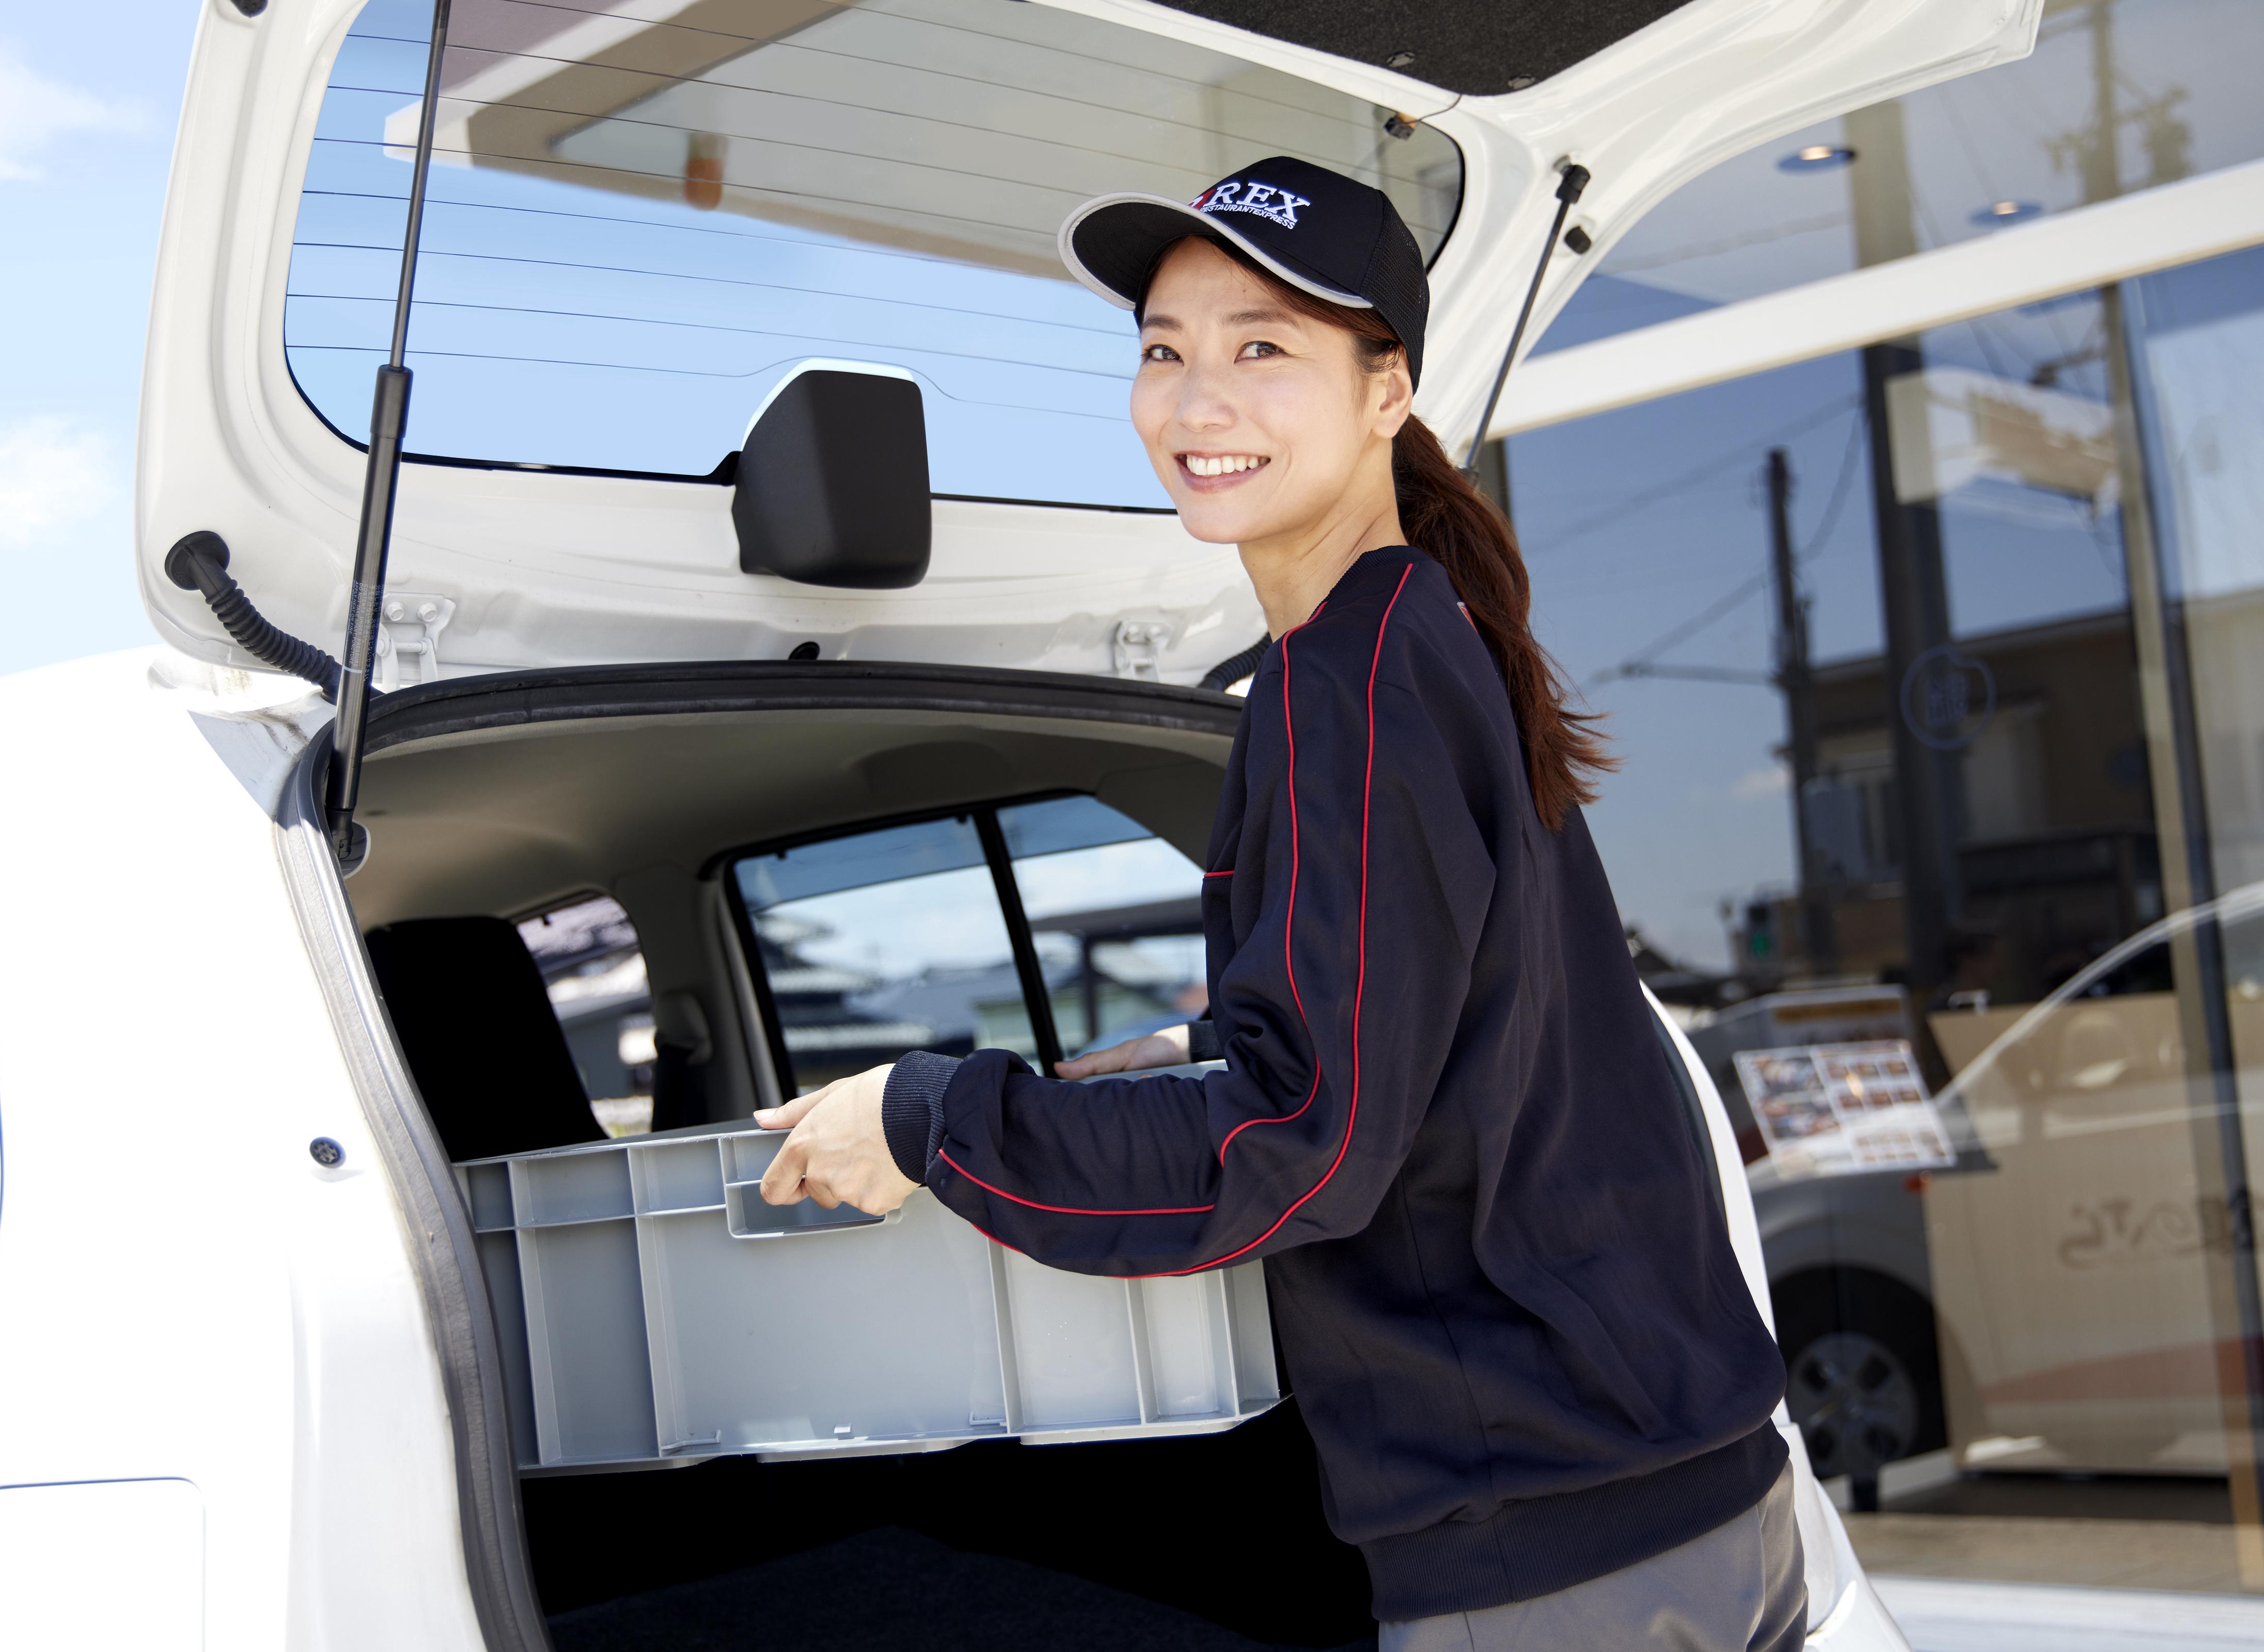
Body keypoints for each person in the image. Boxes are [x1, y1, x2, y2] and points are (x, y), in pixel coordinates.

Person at [754, 156, 1803, 1651]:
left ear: (1388, 391)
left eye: (1263, 348)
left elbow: (1303, 1146)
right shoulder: (1419, 637)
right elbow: (1427, 1036)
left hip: (1555, 1558)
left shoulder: (1352, 682)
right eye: (1164, 351)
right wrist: (1183, 1055)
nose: (1196, 404)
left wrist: (929, 1118)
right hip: (1687, 1499)